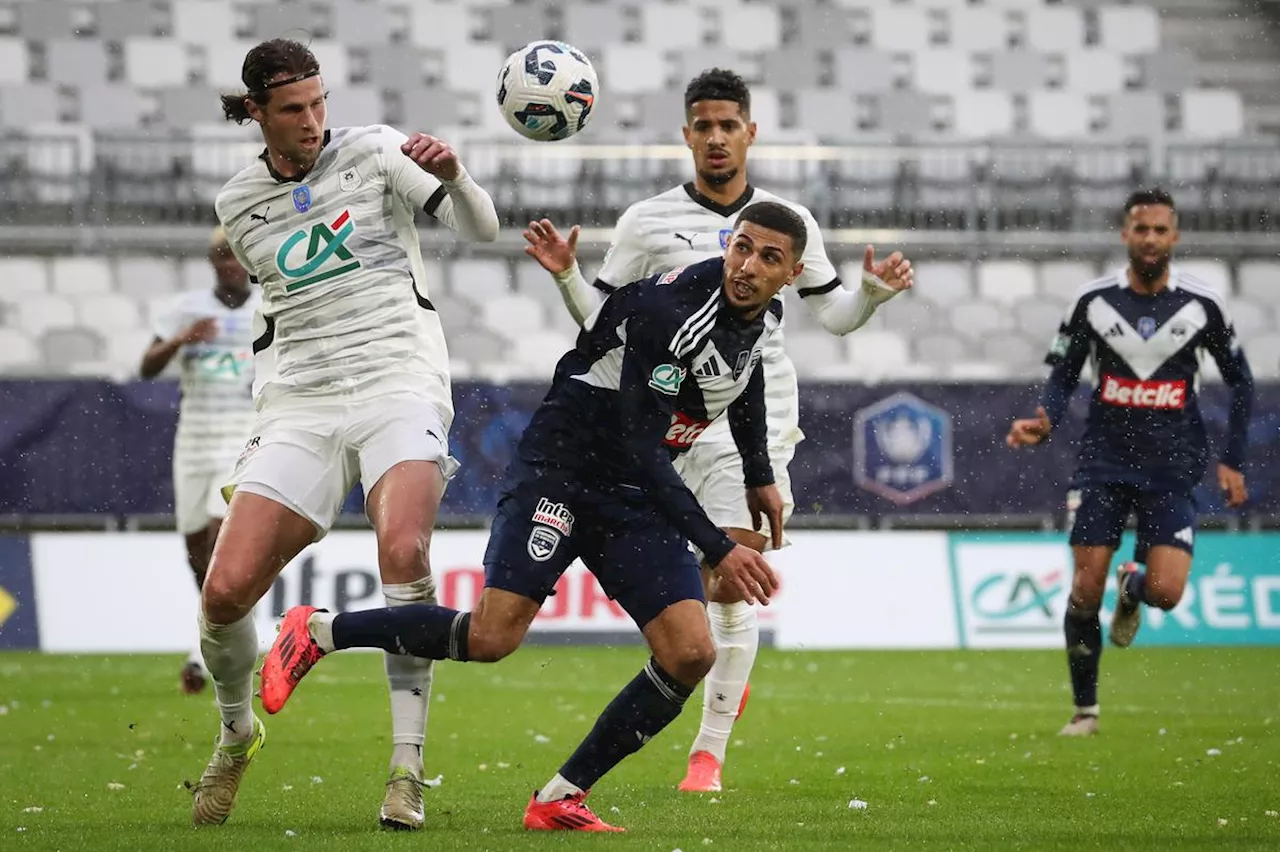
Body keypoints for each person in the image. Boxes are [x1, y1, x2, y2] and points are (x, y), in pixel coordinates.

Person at [260, 202, 809, 833]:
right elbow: (641, 443)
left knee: (690, 653)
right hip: (566, 470)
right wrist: (716, 545)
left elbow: (747, 376)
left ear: (790, 272)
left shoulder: (762, 313)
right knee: (493, 637)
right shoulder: (675, 311)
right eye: (742, 247)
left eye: (769, 258)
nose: (748, 266)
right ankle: (320, 631)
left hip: (631, 492)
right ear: (729, 243)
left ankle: (559, 797)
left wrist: (760, 472)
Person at [522, 68, 914, 792]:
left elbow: (830, 315)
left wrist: (871, 297)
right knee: (700, 588)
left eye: (728, 124)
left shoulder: (789, 222)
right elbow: (602, 322)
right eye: (702, 125)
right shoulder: (646, 222)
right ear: (687, 135)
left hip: (750, 427)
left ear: (749, 133)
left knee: (733, 580)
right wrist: (563, 275)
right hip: (657, 429)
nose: (715, 138)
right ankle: (706, 681)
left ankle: (709, 751)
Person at [190, 38, 499, 830]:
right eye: (293, 110)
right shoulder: (238, 204)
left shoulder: (377, 152)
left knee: (405, 551)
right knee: (224, 593)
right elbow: (280, 305)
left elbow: (482, 231)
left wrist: (457, 174)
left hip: (398, 378)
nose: (312, 121)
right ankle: (235, 735)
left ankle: (407, 768)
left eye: (319, 102)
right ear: (256, 112)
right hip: (301, 400)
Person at [1006, 188, 1253, 737]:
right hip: (1104, 462)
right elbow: (1064, 373)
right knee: (1082, 590)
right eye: (1141, 229)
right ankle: (1085, 710)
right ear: (1125, 234)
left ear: (1175, 237)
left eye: (1160, 230)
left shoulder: (1202, 304)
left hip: (1173, 467)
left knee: (1166, 593)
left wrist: (1232, 460)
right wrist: (1045, 418)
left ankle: (1134, 588)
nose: (1150, 239)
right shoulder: (1093, 301)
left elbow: (1241, 382)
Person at [139, 226, 258, 696]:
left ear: (247, 262)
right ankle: (219, 631)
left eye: (235, 259)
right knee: (195, 552)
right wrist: (180, 341)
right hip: (193, 439)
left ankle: (203, 650)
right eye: (221, 259)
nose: (229, 266)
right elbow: (146, 367)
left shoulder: (268, 307)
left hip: (238, 438)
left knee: (216, 540)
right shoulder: (186, 310)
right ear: (213, 263)